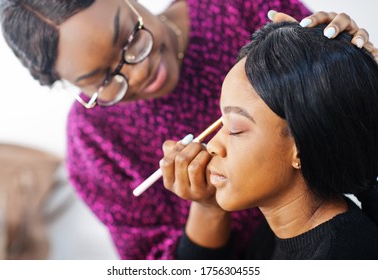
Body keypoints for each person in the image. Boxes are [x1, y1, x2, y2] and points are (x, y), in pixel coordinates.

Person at [0, 0, 375, 259]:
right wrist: (208, 210)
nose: (138, 70)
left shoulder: (236, 8)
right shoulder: (93, 145)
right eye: (104, 78)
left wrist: (357, 70)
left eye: (128, 37)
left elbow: (343, 120)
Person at [161, 21, 378, 259]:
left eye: (234, 128)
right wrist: (207, 205)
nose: (212, 145)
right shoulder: (275, 232)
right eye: (220, 122)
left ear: (301, 146)